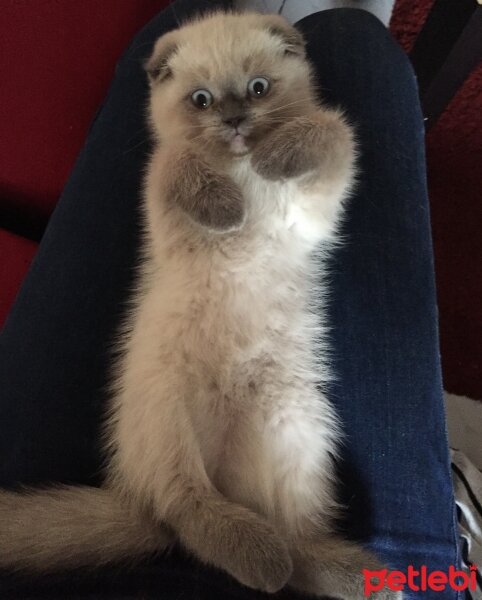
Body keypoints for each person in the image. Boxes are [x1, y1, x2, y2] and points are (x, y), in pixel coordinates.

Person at [0, 0, 460, 597]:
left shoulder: (283, 132)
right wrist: (191, 176)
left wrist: (322, 136)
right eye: (201, 100)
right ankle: (190, 507)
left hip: (276, 368)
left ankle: (301, 550)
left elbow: (317, 209)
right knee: (163, 385)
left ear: (292, 66)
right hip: (189, 348)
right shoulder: (173, 162)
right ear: (162, 87)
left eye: (259, 88)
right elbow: (177, 201)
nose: (236, 117)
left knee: (299, 440)